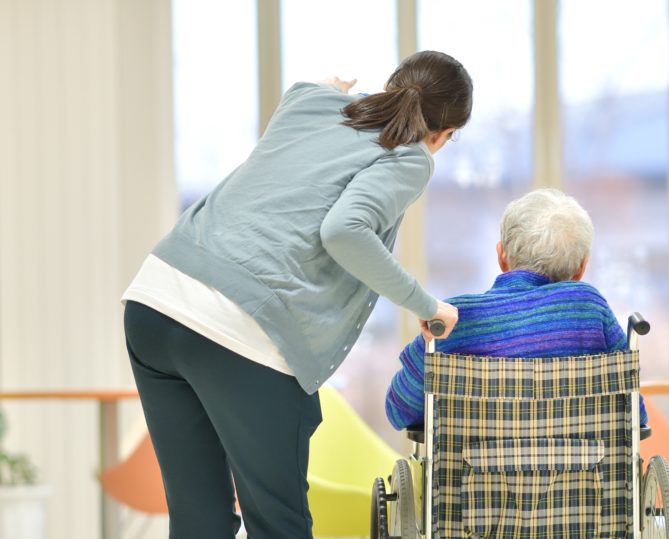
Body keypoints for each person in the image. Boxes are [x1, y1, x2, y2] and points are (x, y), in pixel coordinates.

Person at [120, 50, 471, 538]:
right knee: (278, 524)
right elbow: (345, 230)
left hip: (157, 299)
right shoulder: (411, 156)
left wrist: (325, 87)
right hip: (239, 326)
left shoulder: (309, 101)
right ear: (444, 133)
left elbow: (309, 96)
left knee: (199, 517)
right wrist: (427, 305)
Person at [385, 188, 648, 430]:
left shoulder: (454, 319)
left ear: (502, 256)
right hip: (584, 476)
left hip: (472, 477)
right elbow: (636, 414)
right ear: (582, 267)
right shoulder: (588, 308)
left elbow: (398, 411)